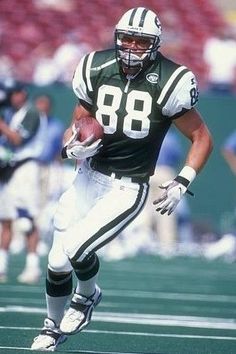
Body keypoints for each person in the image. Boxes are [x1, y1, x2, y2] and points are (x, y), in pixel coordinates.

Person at [31, 7, 213, 351]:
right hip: (87, 176)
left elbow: (201, 136)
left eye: (140, 41)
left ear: (155, 44)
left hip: (126, 186)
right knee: (56, 263)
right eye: (126, 38)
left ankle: (86, 297)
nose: (130, 46)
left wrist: (183, 181)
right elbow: (80, 118)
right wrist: (74, 144)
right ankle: (51, 328)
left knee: (75, 249)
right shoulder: (96, 66)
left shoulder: (173, 80)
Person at [0, 82, 46, 284]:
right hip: (10, 168)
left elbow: (17, 140)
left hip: (26, 168)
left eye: (13, 94)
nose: (11, 98)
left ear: (22, 93)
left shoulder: (32, 112)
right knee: (6, 219)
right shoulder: (13, 113)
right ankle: (1, 266)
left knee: (27, 220)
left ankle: (32, 267)